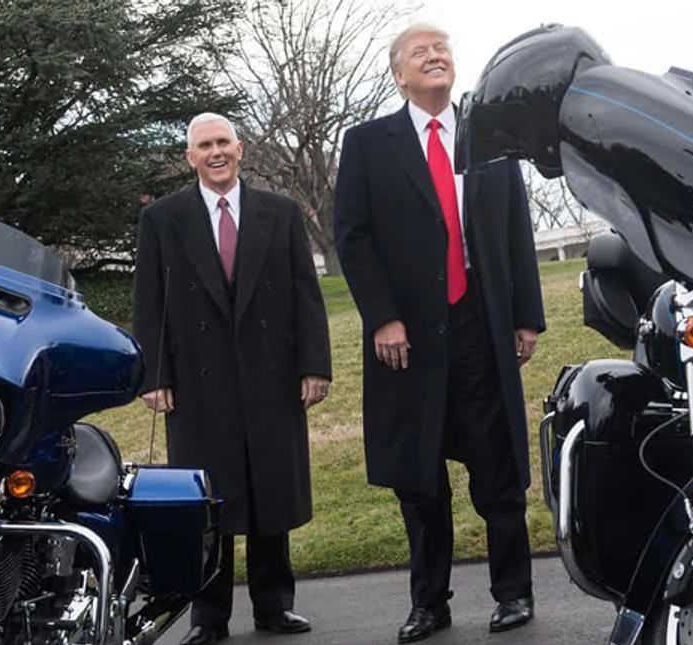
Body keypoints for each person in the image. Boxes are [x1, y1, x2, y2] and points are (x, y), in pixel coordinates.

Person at [333, 23, 545, 644]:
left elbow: (516, 227)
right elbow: (353, 238)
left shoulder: (488, 137)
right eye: (420, 52)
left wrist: (526, 316)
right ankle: (429, 603)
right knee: (419, 478)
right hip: (407, 337)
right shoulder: (368, 144)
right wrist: (383, 317)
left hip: (480, 323)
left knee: (497, 467)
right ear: (398, 74)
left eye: (442, 49)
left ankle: (514, 592)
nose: (435, 57)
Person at [132, 113, 332, 645]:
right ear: (190, 157)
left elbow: (306, 295)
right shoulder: (162, 219)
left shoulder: (281, 213)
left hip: (272, 372)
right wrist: (154, 375)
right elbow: (149, 301)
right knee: (205, 500)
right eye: (205, 146)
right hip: (196, 381)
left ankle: (275, 605)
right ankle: (208, 617)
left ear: (240, 149)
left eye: (223, 142)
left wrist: (314, 365)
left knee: (270, 490)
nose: (215, 152)